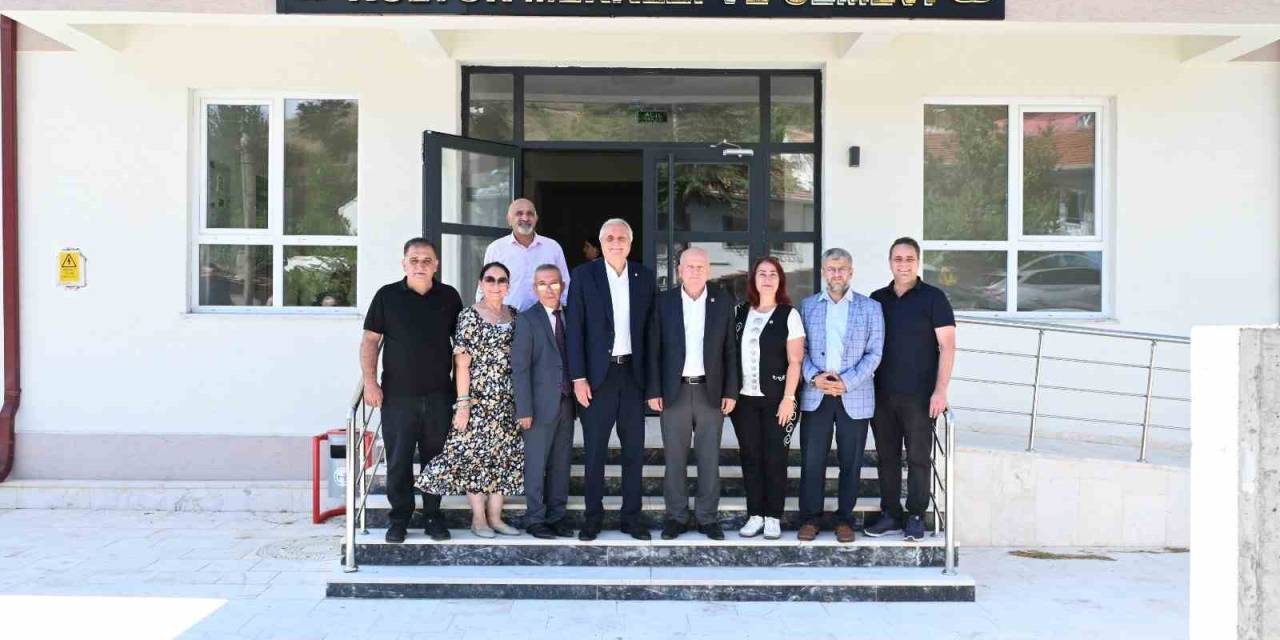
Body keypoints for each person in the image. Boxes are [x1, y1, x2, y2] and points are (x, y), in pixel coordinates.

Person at [360, 238, 462, 543]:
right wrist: (369, 382)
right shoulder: (387, 296)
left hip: (439, 395)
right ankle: (399, 519)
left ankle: (433, 516)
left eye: (427, 260)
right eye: (414, 260)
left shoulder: (449, 297)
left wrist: (462, 393)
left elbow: (462, 348)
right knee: (399, 460)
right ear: (404, 263)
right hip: (397, 396)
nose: (421, 265)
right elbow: (369, 341)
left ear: (436, 264)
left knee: (436, 461)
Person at [416, 262, 525, 538]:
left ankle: (497, 518)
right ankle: (478, 519)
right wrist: (463, 404)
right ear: (480, 283)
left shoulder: (516, 315)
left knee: (504, 457)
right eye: (490, 279)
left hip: (507, 399)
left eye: (502, 280)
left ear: (508, 286)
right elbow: (461, 362)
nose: (496, 285)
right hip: (477, 399)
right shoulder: (469, 316)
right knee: (475, 457)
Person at [565, 218, 656, 541]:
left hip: (632, 375)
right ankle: (593, 518)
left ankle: (632, 518)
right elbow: (574, 330)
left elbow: (652, 334)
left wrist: (653, 384)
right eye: (609, 238)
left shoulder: (644, 277)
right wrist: (578, 377)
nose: (616, 242)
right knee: (594, 453)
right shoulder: (583, 276)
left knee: (634, 452)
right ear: (601, 243)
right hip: (596, 378)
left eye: (622, 238)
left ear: (630, 243)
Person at [866, 237, 956, 542]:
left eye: (909, 258)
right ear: (890, 262)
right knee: (886, 457)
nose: (903, 264)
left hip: (920, 395)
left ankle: (916, 515)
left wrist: (940, 391)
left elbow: (948, 346)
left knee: (919, 458)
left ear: (917, 262)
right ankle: (891, 512)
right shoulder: (876, 299)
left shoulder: (934, 298)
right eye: (897, 259)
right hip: (881, 395)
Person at [646, 247, 739, 541]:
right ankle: (676, 516)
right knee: (675, 458)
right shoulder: (664, 302)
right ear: (679, 270)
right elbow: (654, 350)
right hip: (675, 391)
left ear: (708, 270)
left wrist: (731, 391)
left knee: (709, 458)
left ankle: (707, 518)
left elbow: (729, 350)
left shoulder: (723, 301)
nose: (695, 271)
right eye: (689, 266)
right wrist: (654, 389)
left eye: (701, 266)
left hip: (710, 392)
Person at [795, 248, 884, 543]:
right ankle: (810, 518)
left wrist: (846, 382)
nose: (836, 274)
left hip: (854, 395)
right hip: (815, 393)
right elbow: (799, 351)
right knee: (812, 460)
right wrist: (814, 377)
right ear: (823, 272)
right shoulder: (807, 307)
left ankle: (845, 519)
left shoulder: (870, 308)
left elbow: (875, 353)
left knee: (851, 461)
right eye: (831, 269)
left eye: (842, 268)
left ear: (851, 272)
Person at [730, 257, 805, 541]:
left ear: (780, 280)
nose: (767, 278)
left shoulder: (789, 314)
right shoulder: (739, 313)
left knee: (775, 458)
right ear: (753, 280)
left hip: (778, 400)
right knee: (750, 457)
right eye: (761, 273)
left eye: (773, 274)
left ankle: (773, 516)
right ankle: (755, 515)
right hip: (744, 401)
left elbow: (795, 361)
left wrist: (789, 398)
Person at [511, 264, 576, 539]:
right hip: (537, 406)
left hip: (567, 403)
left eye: (554, 283)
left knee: (561, 463)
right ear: (534, 288)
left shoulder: (572, 316)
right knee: (536, 464)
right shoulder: (527, 320)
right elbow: (520, 368)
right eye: (542, 284)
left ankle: (557, 515)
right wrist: (523, 409)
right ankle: (535, 518)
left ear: (562, 285)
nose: (549, 289)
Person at [479, 198, 570, 311]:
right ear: (509, 219)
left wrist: (561, 316)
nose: (525, 218)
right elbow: (485, 287)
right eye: (519, 213)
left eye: (530, 214)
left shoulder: (552, 247)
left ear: (536, 218)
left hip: (545, 321)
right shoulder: (496, 249)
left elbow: (565, 285)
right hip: (507, 321)